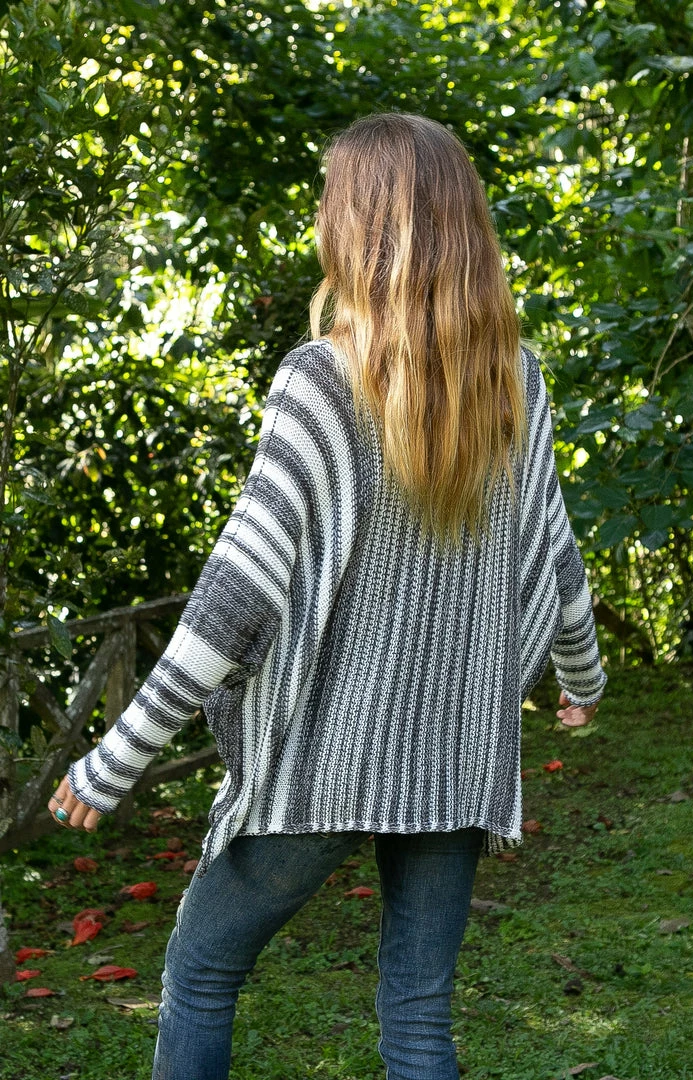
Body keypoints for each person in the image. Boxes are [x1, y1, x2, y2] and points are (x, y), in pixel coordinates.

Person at [48, 112, 606, 1080]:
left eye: (330, 200)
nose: (319, 218)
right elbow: (556, 557)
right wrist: (582, 678)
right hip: (458, 756)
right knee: (420, 1016)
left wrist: (118, 756)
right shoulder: (513, 380)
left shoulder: (319, 382)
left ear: (364, 225)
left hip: (326, 765)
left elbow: (236, 595)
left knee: (201, 971)